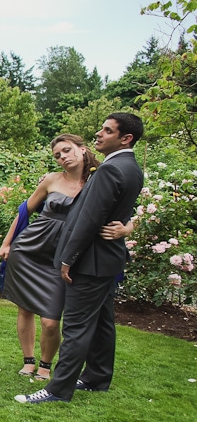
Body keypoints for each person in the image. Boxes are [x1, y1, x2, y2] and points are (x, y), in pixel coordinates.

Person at [16, 113, 145, 404]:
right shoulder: (132, 167)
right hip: (107, 260)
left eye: (107, 131)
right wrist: (127, 226)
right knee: (102, 321)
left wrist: (68, 258)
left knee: (75, 326)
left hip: (91, 260)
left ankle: (57, 389)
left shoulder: (111, 170)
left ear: (126, 139)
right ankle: (97, 377)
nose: (99, 134)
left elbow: (89, 219)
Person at [0, 135, 107, 380]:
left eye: (67, 151)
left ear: (82, 149)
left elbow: (120, 209)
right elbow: (24, 211)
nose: (63, 157)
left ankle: (46, 365)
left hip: (63, 258)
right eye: (58, 155)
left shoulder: (98, 180)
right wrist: (7, 243)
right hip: (29, 251)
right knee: (25, 309)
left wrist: (126, 228)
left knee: (50, 320)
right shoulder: (51, 180)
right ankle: (28, 361)